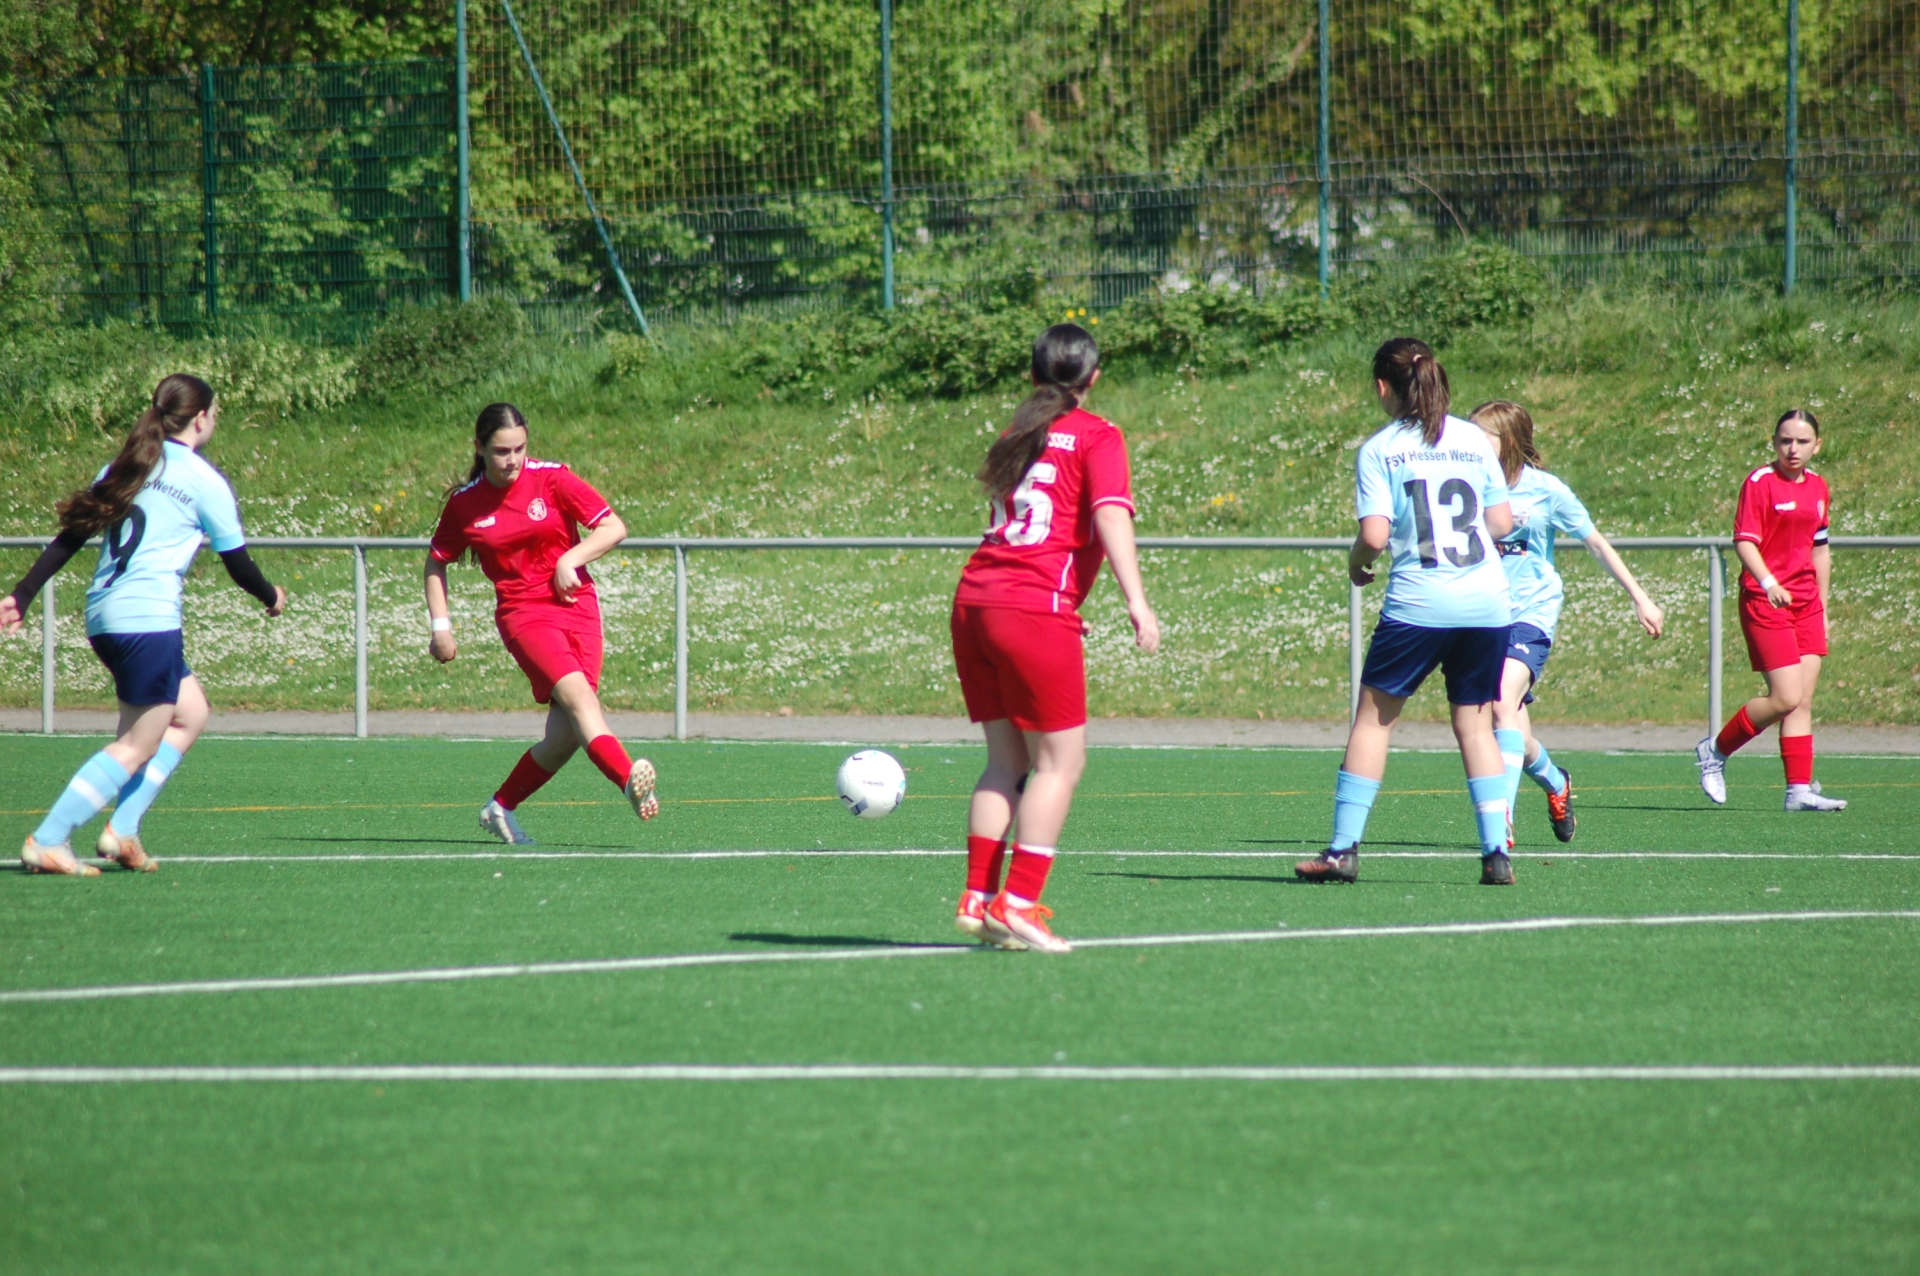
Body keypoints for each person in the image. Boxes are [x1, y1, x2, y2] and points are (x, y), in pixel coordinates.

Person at [2, 373, 286, 875]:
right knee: (137, 743)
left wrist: (23, 594)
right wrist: (272, 596)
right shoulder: (203, 480)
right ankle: (49, 838)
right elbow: (238, 563)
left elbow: (71, 535)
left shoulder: (127, 464)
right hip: (146, 621)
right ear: (201, 418)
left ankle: (124, 829)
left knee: (190, 713)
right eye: (215, 413)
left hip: (104, 615)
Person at [950, 323, 1160, 953]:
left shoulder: (1016, 432)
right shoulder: (1097, 434)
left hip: (976, 601)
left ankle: (978, 898)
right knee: (1059, 764)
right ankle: (1018, 904)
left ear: (1032, 374)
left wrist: (1059, 608)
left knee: (1005, 761)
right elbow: (1108, 513)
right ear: (1094, 377)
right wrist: (1137, 601)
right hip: (1030, 608)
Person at [1296, 338, 1518, 886]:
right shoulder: (1473, 439)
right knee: (1476, 726)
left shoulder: (1381, 449)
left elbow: (1374, 536)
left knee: (1375, 719)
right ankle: (1496, 854)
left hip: (1420, 603)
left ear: (1382, 387)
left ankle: (1343, 851)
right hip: (1487, 604)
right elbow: (1501, 523)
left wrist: (1356, 563)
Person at [426, 402, 657, 843]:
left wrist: (571, 558)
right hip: (523, 615)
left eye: (520, 449)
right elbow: (436, 562)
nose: (512, 460)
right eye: (501, 451)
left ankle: (500, 806)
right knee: (581, 701)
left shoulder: (552, 478)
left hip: (578, 607)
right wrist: (441, 627)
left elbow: (613, 527)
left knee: (565, 736)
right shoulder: (465, 504)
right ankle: (628, 778)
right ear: (479, 448)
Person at [1469, 400, 1665, 844]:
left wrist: (1640, 598)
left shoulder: (1546, 490)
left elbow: (1595, 543)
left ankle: (1501, 819)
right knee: (1514, 732)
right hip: (1482, 616)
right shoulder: (1468, 485)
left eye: (1483, 436)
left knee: (1501, 701)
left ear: (1509, 440)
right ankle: (1557, 782)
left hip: (1530, 613)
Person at [1695, 409, 1845, 812]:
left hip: (1806, 604)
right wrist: (1768, 582)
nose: (1792, 449)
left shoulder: (1818, 486)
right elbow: (1744, 542)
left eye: (1802, 441)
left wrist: (1823, 607)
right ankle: (1715, 750)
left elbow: (1820, 550)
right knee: (1785, 697)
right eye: (1784, 440)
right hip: (1765, 601)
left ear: (1817, 445)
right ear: (1774, 442)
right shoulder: (1760, 482)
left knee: (1802, 700)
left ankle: (1798, 791)